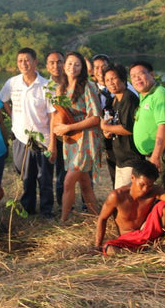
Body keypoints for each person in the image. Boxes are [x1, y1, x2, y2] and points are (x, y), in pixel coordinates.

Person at [0, 48, 56, 217]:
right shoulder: (12, 83)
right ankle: (28, 209)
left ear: (35, 62)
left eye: (27, 60)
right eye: (20, 61)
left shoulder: (46, 85)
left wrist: (53, 143)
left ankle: (46, 211)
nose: (24, 64)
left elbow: (53, 116)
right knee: (25, 177)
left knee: (44, 178)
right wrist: (12, 116)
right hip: (20, 138)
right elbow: (3, 100)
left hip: (42, 139)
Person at [94, 160, 165, 255]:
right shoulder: (116, 196)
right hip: (128, 239)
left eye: (149, 186)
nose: (145, 189)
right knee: (109, 248)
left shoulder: (153, 191)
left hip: (149, 234)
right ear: (133, 178)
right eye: (142, 185)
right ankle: (141, 252)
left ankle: (164, 242)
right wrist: (97, 245)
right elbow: (102, 219)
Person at [54, 51, 103, 222]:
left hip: (86, 138)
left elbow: (96, 117)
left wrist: (69, 126)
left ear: (82, 68)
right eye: (69, 64)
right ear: (64, 66)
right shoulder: (61, 88)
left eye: (77, 64)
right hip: (71, 138)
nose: (72, 67)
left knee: (68, 182)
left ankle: (63, 219)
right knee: (84, 183)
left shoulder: (88, 86)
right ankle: (97, 217)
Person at [129, 60, 165, 193]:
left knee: (163, 193)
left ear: (152, 74)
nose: (137, 79)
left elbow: (164, 126)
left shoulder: (160, 95)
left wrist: (156, 156)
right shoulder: (145, 96)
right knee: (153, 192)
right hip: (153, 154)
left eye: (140, 74)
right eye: (133, 76)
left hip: (162, 153)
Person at [100, 64, 142, 189]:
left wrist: (105, 128)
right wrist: (109, 131)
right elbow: (118, 124)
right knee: (120, 197)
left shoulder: (129, 98)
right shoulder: (116, 100)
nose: (110, 83)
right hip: (120, 158)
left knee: (124, 198)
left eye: (114, 78)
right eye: (107, 80)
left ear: (123, 79)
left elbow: (128, 128)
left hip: (131, 158)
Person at [45, 51, 67, 206]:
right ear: (47, 66)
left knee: (65, 171)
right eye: (52, 62)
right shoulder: (45, 86)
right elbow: (51, 115)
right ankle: (55, 203)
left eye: (59, 61)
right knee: (52, 172)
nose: (56, 65)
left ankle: (65, 202)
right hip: (50, 134)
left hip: (70, 132)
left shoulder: (71, 83)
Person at [92, 54, 117, 186]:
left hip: (118, 134)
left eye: (104, 67)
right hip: (96, 135)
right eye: (96, 67)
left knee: (117, 170)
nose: (100, 71)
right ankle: (87, 204)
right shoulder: (89, 88)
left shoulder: (121, 86)